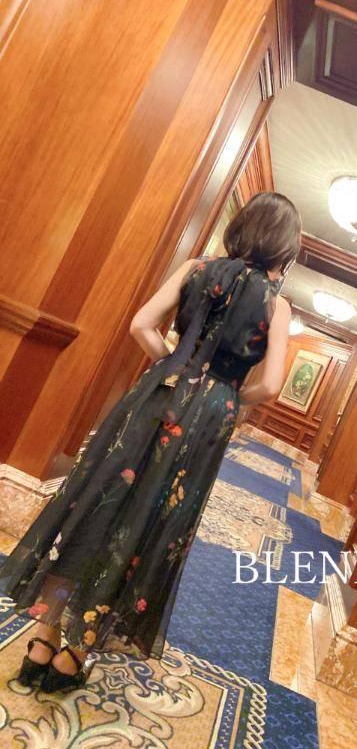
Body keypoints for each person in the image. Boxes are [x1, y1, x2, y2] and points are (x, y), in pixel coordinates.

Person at [0, 191, 300, 692]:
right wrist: (230, 397)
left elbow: (141, 324)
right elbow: (270, 385)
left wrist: (172, 364)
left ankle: (43, 640)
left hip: (158, 391)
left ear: (243, 228)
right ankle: (76, 653)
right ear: (284, 246)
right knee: (151, 518)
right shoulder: (277, 305)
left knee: (97, 501)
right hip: (209, 415)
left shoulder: (196, 268)